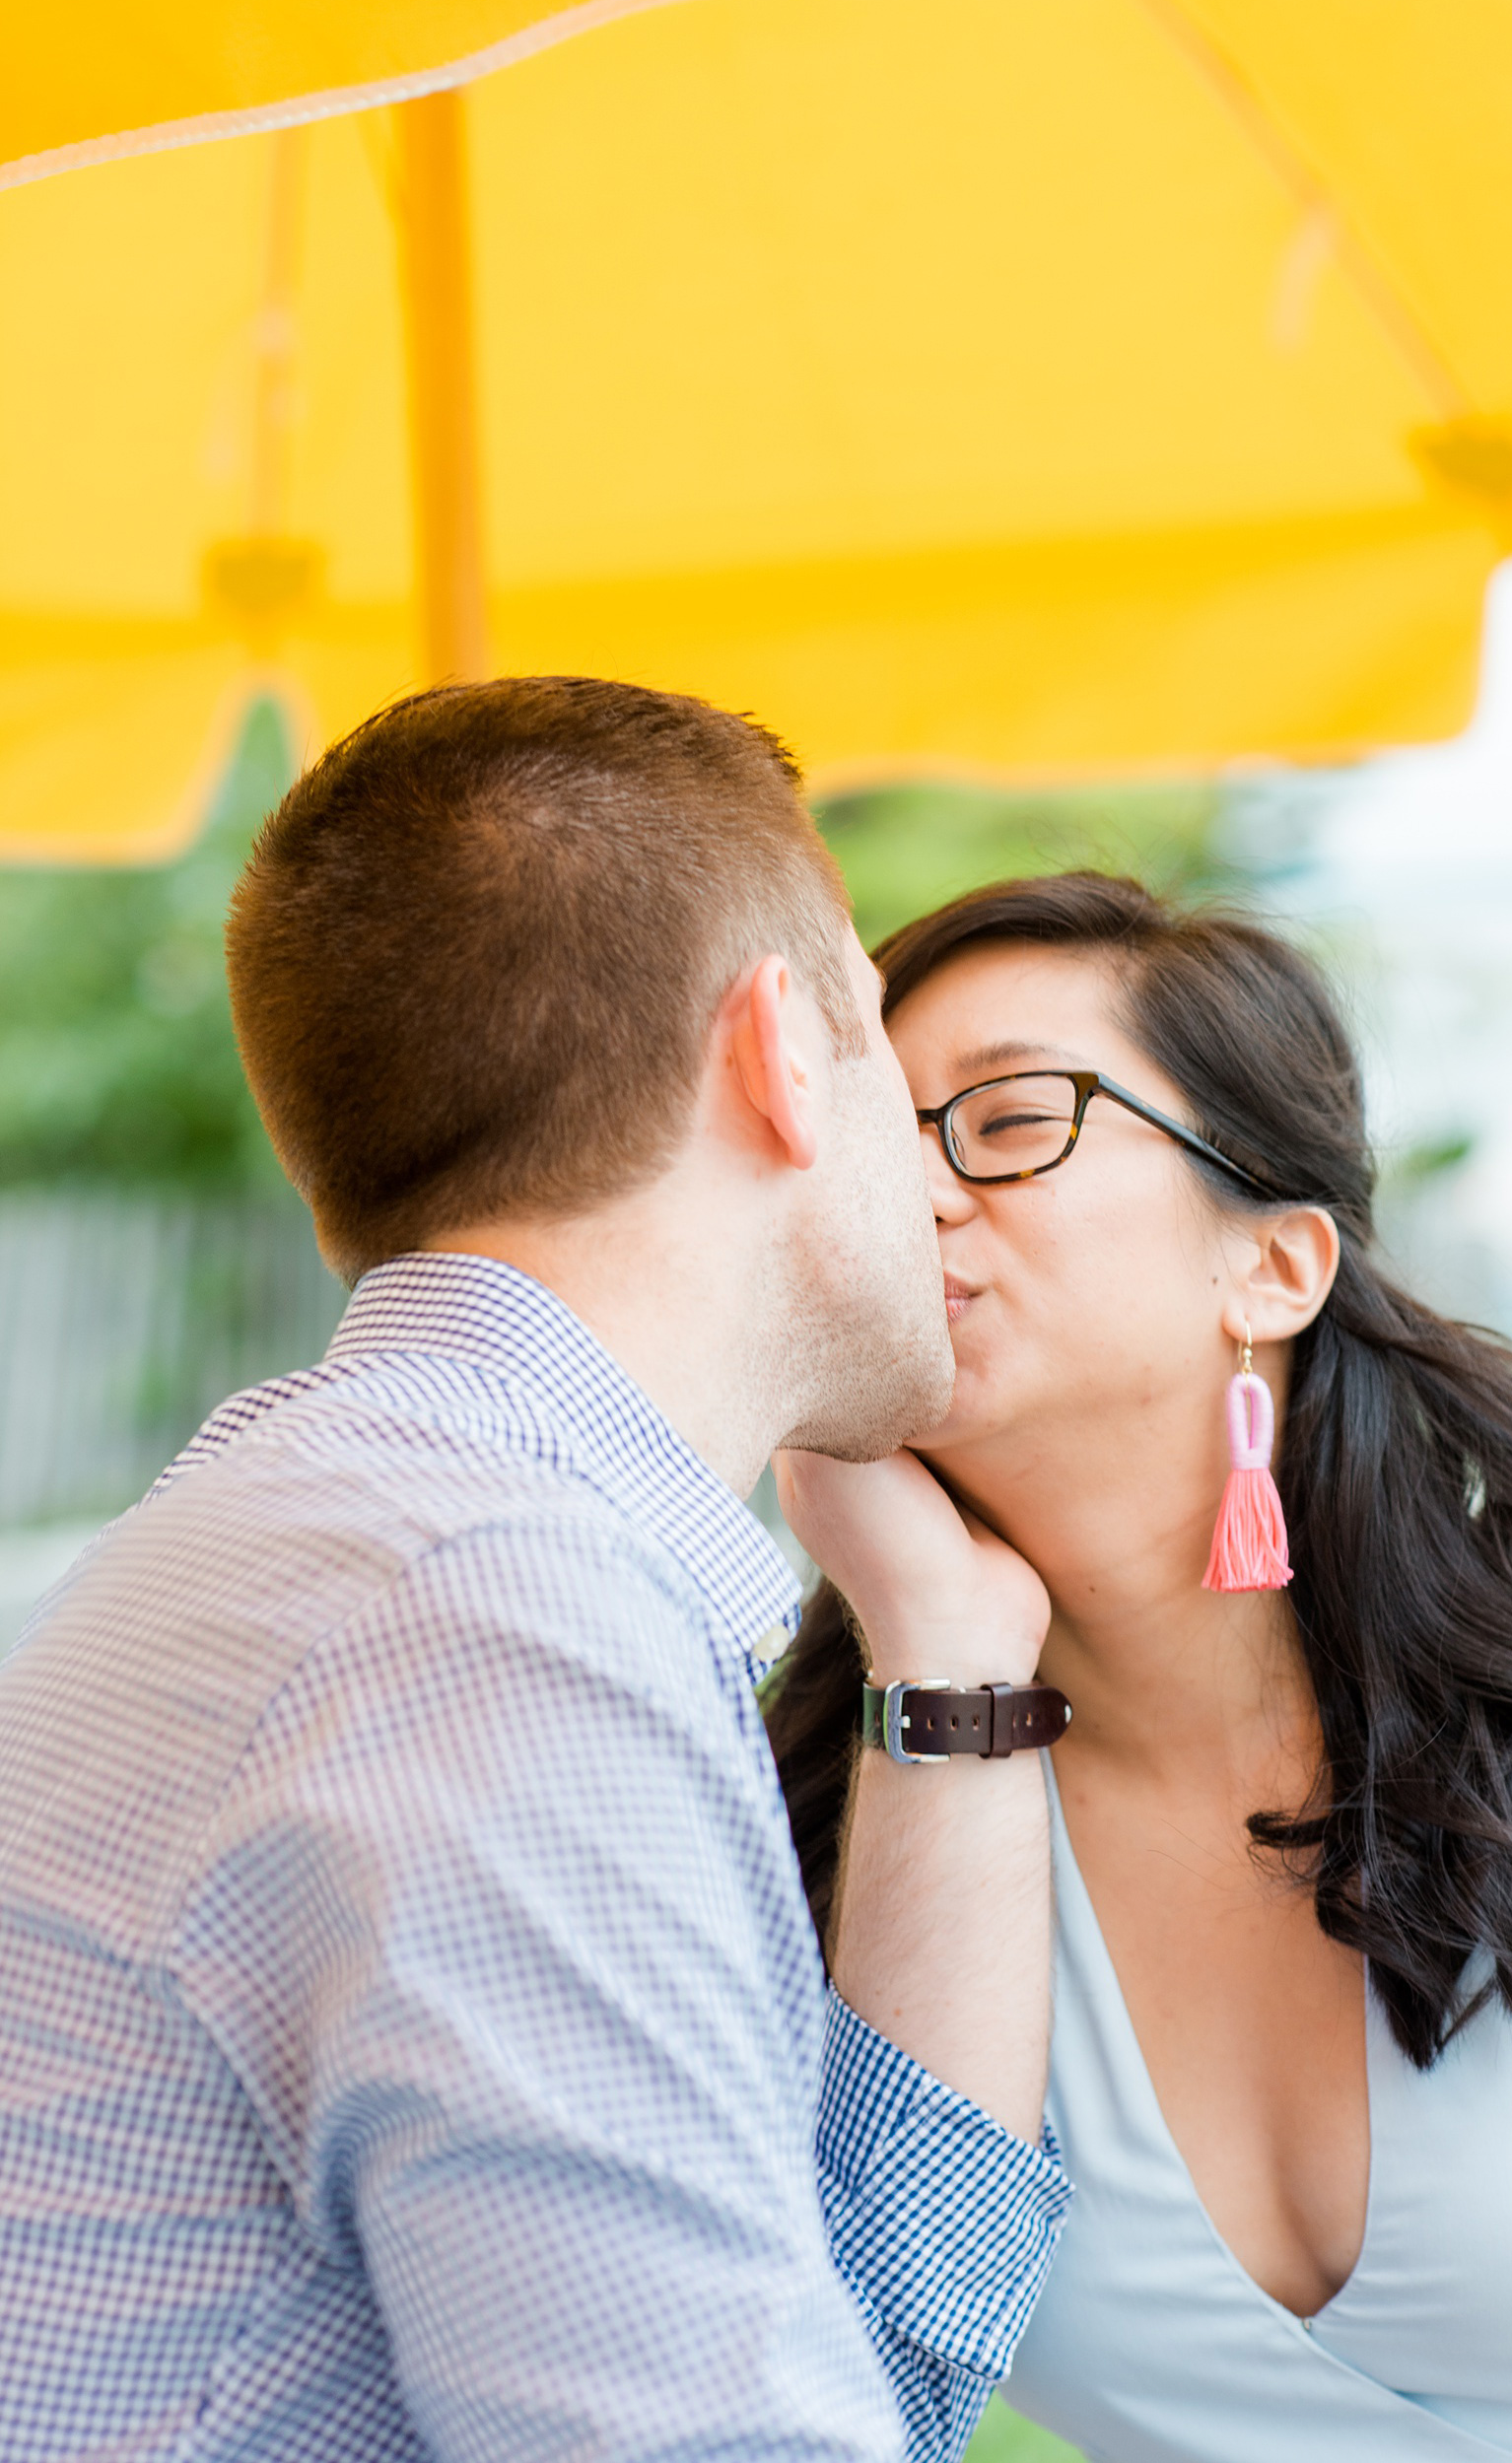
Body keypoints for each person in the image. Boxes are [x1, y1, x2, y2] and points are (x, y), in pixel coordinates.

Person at [0, 679, 1069, 2463]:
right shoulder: (485, 1618)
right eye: (887, 1047)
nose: (936, 1177)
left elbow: (828, 2353)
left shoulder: (342, 1520)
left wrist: (948, 1650)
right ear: (786, 1054)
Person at [771, 868, 1512, 2463]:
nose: (907, 1196)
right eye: (874, 1138)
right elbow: (870, 2381)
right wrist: (938, 1645)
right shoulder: (854, 1788)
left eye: (1004, 1120)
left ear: (1275, 1266)